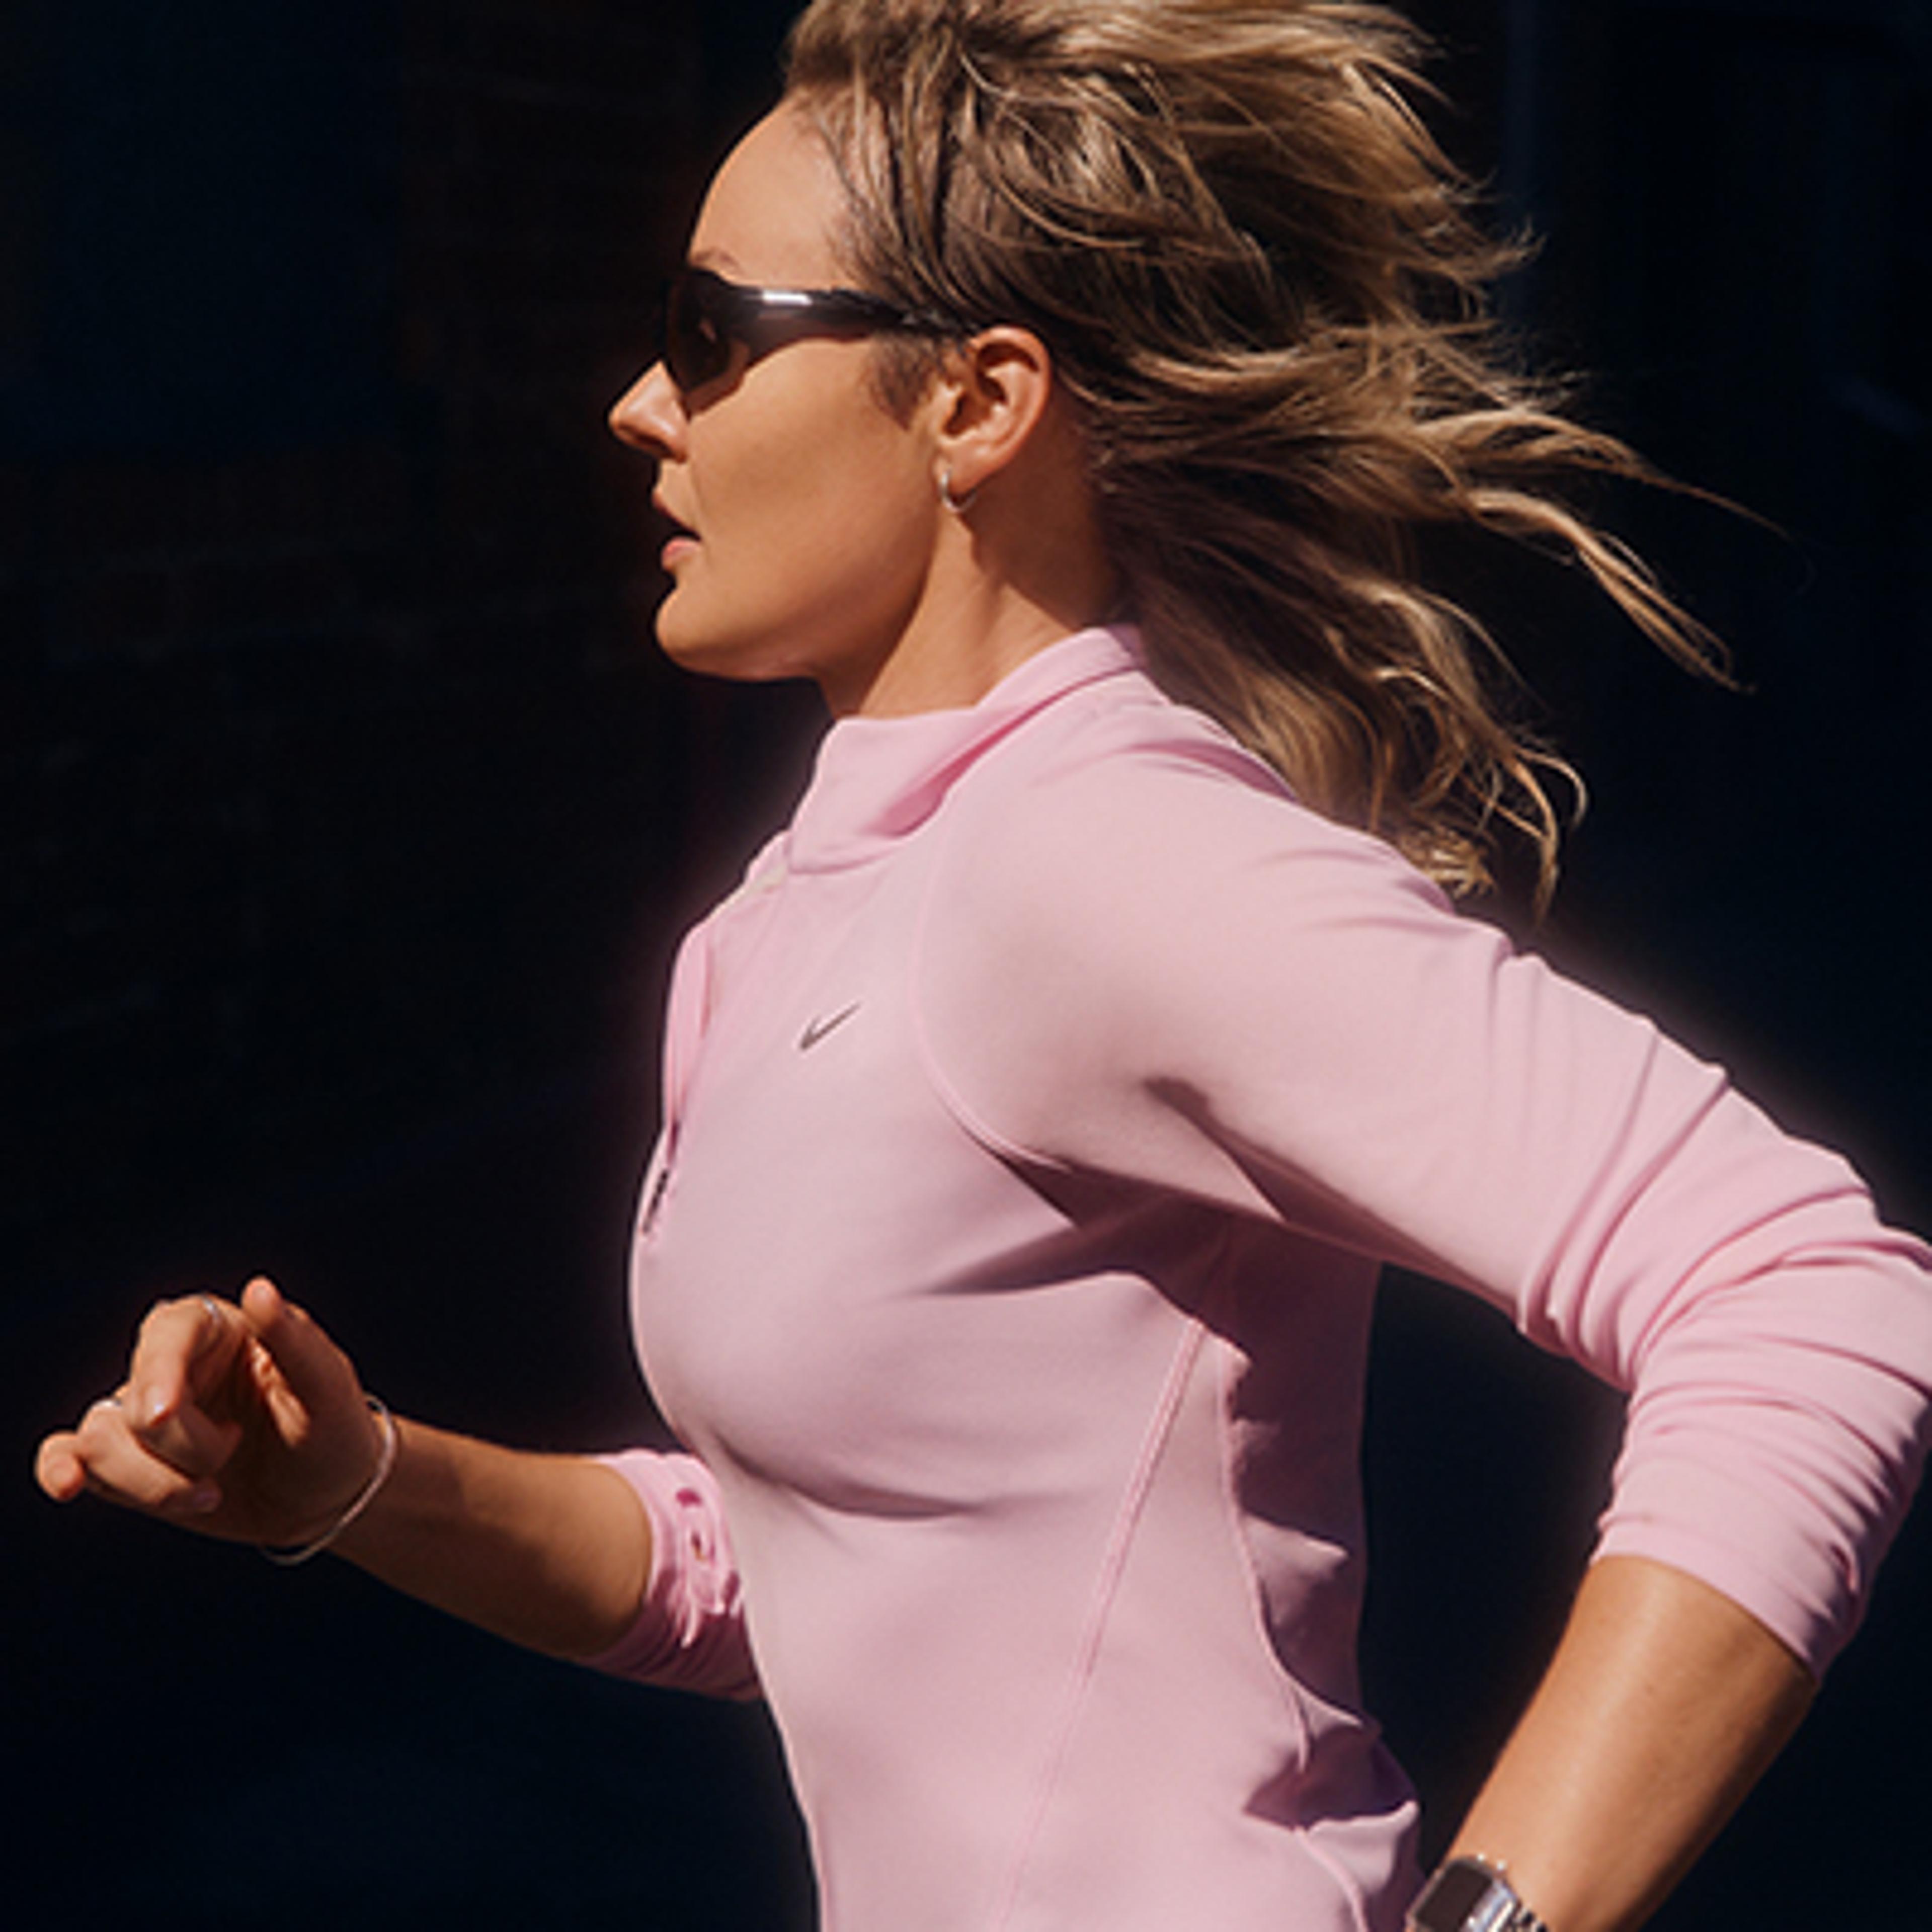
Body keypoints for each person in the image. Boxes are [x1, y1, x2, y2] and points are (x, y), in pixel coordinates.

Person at [34, 4, 1932, 1930]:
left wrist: (1507, 1918)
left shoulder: (1109, 859)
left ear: (978, 401)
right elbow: (805, 1564)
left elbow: (1806, 1290)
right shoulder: (796, 912)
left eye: (713, 336)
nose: (638, 402)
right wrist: (362, 1484)